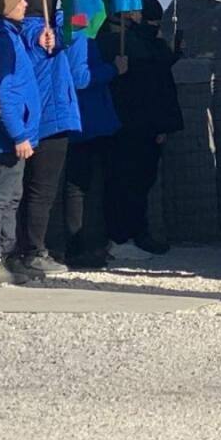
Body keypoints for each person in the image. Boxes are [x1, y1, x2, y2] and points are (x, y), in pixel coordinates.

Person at [101, 0, 182, 259]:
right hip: (135, 125)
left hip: (134, 124)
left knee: (137, 183)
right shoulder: (129, 42)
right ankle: (125, 236)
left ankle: (134, 234)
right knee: (130, 184)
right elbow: (151, 85)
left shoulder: (130, 39)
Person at [0, 0, 42, 285]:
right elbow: (5, 92)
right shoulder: (0, 38)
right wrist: (18, 134)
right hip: (8, 134)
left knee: (12, 196)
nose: (25, 5)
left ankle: (7, 252)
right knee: (1, 196)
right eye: (19, 1)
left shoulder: (10, 33)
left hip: (18, 130)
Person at [13, 0, 80, 276]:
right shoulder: (42, 32)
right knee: (43, 191)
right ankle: (34, 251)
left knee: (27, 190)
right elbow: (77, 26)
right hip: (51, 119)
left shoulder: (17, 31)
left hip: (29, 119)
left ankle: (23, 248)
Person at [63, 37, 126, 269]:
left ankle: (89, 243)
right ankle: (79, 247)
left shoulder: (80, 35)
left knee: (87, 185)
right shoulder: (77, 35)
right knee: (79, 186)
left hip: (93, 119)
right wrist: (113, 69)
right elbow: (80, 78)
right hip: (87, 120)